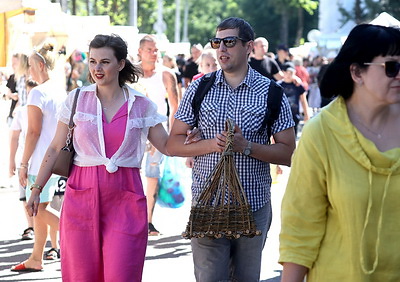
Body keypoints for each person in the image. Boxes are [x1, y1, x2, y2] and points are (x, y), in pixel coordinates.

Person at [21, 33, 176, 281]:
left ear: (121, 64)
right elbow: (54, 148)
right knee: (82, 275)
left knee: (122, 273)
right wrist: (37, 187)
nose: (97, 68)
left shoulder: (141, 105)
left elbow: (168, 146)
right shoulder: (76, 100)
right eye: (93, 61)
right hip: (81, 195)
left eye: (104, 61)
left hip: (125, 197)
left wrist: (200, 139)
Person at [167, 17, 296, 281]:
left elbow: (288, 154)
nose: (222, 49)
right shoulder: (200, 87)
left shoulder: (271, 92)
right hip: (207, 205)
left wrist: (246, 146)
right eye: (217, 42)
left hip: (253, 206)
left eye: (229, 42)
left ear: (248, 47)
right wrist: (211, 144)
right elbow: (173, 144)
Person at [279, 24, 400, 282]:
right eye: (392, 67)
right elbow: (300, 226)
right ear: (357, 72)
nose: (399, 75)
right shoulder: (321, 134)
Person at [11, 43, 66, 272]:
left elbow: (32, 132)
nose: (28, 71)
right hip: (57, 159)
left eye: (31, 66)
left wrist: (22, 163)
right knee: (40, 208)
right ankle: (36, 257)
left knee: (39, 208)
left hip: (40, 161)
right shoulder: (59, 90)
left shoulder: (38, 92)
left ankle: (82, 236)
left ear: (41, 66)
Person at [136, 34, 179, 236]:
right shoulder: (130, 73)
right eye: (149, 50)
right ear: (140, 51)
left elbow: (175, 108)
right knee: (131, 176)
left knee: (152, 176)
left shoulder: (166, 74)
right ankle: (133, 218)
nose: (154, 54)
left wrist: (173, 137)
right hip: (133, 132)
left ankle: (148, 221)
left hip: (158, 133)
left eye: (156, 50)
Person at [9, 79, 38, 241]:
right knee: (25, 197)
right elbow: (14, 137)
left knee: (48, 199)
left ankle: (50, 232)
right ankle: (31, 226)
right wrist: (13, 161)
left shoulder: (48, 108)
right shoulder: (21, 112)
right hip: (25, 160)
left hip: (41, 161)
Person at [278, 62, 310, 137]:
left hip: (294, 116)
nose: (289, 75)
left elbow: (303, 100)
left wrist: (306, 114)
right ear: (283, 72)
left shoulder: (298, 86)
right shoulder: (278, 85)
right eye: (286, 72)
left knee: (293, 139)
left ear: (294, 73)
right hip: (280, 117)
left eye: (291, 72)